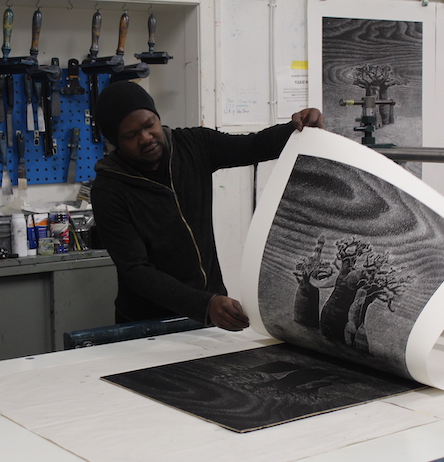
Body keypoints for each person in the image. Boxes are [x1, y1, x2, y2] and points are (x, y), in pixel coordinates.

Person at [91, 81, 324, 331]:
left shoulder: (192, 145)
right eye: (131, 135)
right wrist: (204, 305)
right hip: (147, 324)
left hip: (210, 313)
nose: (146, 138)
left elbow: (253, 146)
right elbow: (135, 270)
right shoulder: (109, 189)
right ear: (114, 141)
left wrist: (296, 128)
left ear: (158, 118)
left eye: (150, 125)